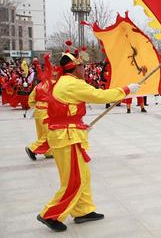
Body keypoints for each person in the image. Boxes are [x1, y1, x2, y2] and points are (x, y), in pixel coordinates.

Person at [37, 52, 139, 232]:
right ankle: (50, 214)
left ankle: (82, 210)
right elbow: (100, 96)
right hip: (66, 137)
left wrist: (79, 124)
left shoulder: (66, 82)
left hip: (68, 134)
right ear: (75, 68)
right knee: (74, 180)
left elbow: (66, 111)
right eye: (82, 66)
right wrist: (126, 90)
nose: (85, 69)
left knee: (82, 175)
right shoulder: (72, 84)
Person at [25, 55, 55, 161]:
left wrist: (37, 106)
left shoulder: (38, 86)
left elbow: (30, 100)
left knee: (42, 133)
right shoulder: (53, 84)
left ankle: (48, 152)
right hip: (47, 111)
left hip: (38, 111)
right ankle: (32, 148)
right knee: (49, 134)